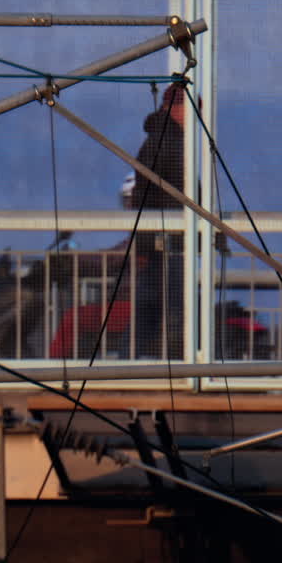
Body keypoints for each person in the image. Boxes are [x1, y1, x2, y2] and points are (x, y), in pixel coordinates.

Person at [130, 83, 186, 359]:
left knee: (156, 306)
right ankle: (173, 364)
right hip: (166, 244)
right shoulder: (168, 143)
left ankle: (146, 362)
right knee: (174, 310)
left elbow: (142, 196)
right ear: (176, 108)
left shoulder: (163, 141)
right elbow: (144, 196)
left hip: (163, 244)